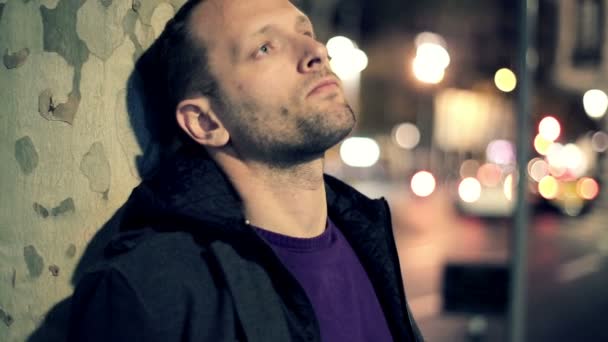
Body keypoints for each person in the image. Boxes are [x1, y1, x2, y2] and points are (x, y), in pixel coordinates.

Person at [68, 0, 423, 341]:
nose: (316, 52)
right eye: (265, 48)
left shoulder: (365, 235)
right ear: (206, 122)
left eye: (306, 31)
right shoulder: (148, 293)